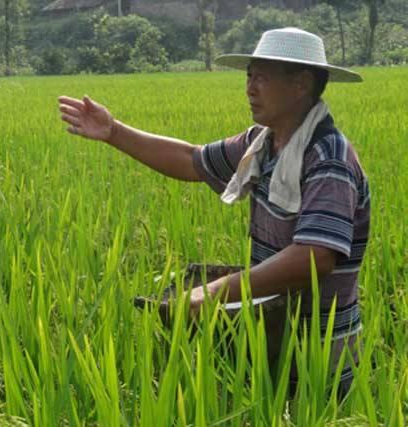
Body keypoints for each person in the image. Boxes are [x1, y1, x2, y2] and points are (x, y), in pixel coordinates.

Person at [58, 28, 369, 396]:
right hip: (273, 327)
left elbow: (315, 258)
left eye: (262, 78)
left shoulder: (326, 157)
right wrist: (114, 132)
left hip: (319, 348)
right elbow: (192, 160)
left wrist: (216, 292)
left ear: (301, 83)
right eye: (249, 76)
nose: (250, 88)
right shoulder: (264, 142)